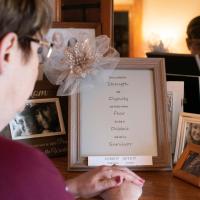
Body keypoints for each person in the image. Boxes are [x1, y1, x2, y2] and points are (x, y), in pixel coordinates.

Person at [0, 1, 145, 200]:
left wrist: (67, 189)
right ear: (8, 52)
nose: (38, 63)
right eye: (39, 49)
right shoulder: (21, 167)